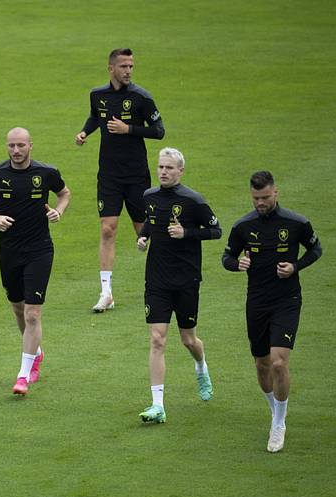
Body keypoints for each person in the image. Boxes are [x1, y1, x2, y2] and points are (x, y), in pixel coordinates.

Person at [222, 171, 321, 452]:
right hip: (257, 302)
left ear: (276, 192)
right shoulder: (243, 226)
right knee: (262, 364)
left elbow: (316, 249)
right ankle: (276, 409)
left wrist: (295, 267)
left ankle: (278, 423)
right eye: (256, 199)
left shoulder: (295, 223)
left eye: (265, 198)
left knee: (279, 362)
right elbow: (226, 257)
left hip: (287, 300)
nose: (260, 203)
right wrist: (236, 264)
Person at [0, 127, 71, 395]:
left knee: (33, 312)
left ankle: (23, 375)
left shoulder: (46, 173)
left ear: (30, 146)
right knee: (18, 308)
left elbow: (65, 193)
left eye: (21, 146)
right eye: (12, 146)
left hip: (40, 250)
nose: (16, 151)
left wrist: (58, 212)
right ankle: (35, 352)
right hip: (10, 251)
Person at [75, 48, 165, 312]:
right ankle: (106, 293)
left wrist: (129, 130)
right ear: (111, 68)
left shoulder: (141, 98)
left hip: (137, 176)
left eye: (131, 66)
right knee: (107, 228)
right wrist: (84, 132)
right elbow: (96, 117)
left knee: (144, 233)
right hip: (109, 175)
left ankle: (162, 283)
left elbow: (159, 131)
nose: (128, 71)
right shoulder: (98, 95)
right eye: (124, 66)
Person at [135, 148, 221, 423]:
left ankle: (200, 365)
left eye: (169, 168)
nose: (163, 172)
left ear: (181, 171)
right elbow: (151, 220)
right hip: (157, 280)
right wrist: (143, 238)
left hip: (186, 280)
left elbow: (216, 230)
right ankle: (157, 405)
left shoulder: (193, 201)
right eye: (160, 167)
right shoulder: (149, 196)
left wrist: (187, 233)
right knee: (157, 339)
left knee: (188, 339)